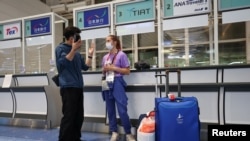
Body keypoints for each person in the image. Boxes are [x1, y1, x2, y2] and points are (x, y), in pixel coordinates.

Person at [55, 26, 95, 141]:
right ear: (72, 38)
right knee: (69, 116)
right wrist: (73, 50)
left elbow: (85, 67)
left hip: (78, 87)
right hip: (68, 87)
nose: (80, 40)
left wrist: (90, 55)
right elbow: (62, 64)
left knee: (78, 116)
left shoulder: (77, 53)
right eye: (78, 37)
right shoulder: (60, 48)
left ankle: (76, 138)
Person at [101, 35, 136, 141]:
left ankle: (128, 133)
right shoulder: (105, 57)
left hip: (117, 82)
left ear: (115, 42)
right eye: (106, 41)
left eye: (108, 40)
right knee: (110, 110)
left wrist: (114, 68)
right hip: (107, 82)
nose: (107, 43)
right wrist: (105, 70)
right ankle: (114, 132)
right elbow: (103, 71)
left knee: (122, 109)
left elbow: (127, 71)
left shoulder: (121, 55)